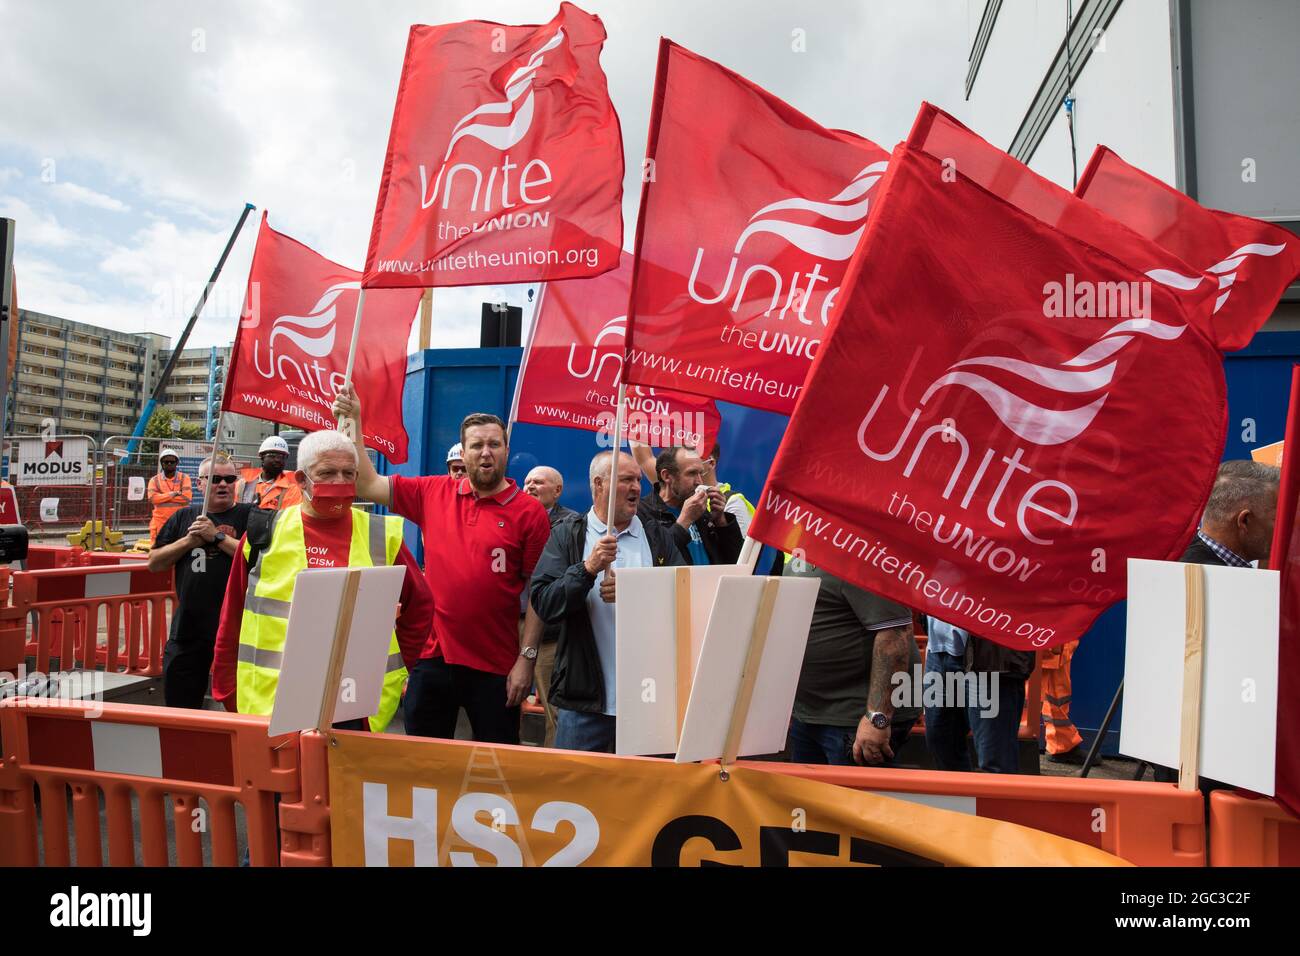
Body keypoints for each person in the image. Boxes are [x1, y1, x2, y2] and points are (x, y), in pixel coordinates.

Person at [333, 385, 552, 744]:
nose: (485, 453)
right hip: (432, 658)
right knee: (425, 765)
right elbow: (366, 483)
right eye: (477, 446)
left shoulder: (529, 513)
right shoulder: (432, 492)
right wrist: (355, 420)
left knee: (496, 767)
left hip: (496, 665)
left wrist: (525, 660)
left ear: (506, 451)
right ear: (463, 454)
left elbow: (537, 594)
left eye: (494, 445)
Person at [211, 429, 432, 732]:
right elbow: (232, 615)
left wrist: (395, 668)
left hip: (354, 704)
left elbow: (419, 607)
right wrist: (227, 689)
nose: (340, 483)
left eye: (348, 474)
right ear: (301, 479)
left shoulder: (383, 535)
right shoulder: (265, 534)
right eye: (327, 474)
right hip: (272, 700)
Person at [530, 451, 684, 752]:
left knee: (647, 795)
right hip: (584, 705)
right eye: (627, 480)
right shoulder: (567, 536)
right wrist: (587, 569)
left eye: (638, 480)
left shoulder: (657, 536)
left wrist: (636, 593)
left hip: (648, 701)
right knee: (576, 793)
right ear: (599, 485)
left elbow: (687, 598)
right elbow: (544, 602)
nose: (638, 488)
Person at [785, 561, 921, 765]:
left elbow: (895, 635)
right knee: (812, 796)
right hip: (810, 714)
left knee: (856, 796)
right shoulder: (803, 547)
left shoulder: (860, 556)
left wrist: (878, 718)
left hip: (853, 718)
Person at [148, 455, 252, 709]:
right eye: (215, 479)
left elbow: (258, 558)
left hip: (238, 627)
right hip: (189, 626)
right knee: (180, 702)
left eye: (230, 479)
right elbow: (155, 562)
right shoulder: (183, 517)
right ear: (200, 484)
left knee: (241, 703)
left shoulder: (250, 515)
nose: (224, 485)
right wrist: (188, 541)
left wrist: (215, 537)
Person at [923, 617, 1033, 774]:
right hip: (939, 649)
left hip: (992, 656)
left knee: (995, 762)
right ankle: (959, 798)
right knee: (940, 742)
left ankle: (996, 798)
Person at [522, 464, 579, 746]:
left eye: (539, 482)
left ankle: (551, 770)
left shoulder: (571, 525)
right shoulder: (512, 516)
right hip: (509, 625)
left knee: (554, 710)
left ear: (557, 491)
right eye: (527, 481)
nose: (530, 486)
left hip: (549, 632)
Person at [637, 445, 742, 566]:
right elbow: (656, 561)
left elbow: (736, 561)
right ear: (666, 476)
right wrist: (684, 521)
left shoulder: (700, 511)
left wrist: (721, 522)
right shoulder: (643, 513)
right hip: (677, 585)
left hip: (710, 584)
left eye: (700, 473)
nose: (699, 481)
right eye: (691, 473)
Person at [1181, 459, 1279, 567]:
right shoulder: (1214, 579)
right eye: (1277, 519)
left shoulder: (1179, 552)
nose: (1291, 527)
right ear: (1245, 520)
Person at [239, 435, 301, 511]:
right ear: (262, 456)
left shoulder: (293, 489)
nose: (278, 459)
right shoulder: (243, 484)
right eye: (273, 455)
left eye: (282, 456)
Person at [147, 447, 192, 544]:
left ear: (177, 463)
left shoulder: (184, 478)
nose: (169, 464)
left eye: (172, 462)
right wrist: (173, 494)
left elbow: (186, 498)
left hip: (180, 522)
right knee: (159, 552)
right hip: (160, 523)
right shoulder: (154, 480)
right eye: (166, 462)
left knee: (180, 551)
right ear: (161, 463)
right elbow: (153, 499)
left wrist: (162, 497)